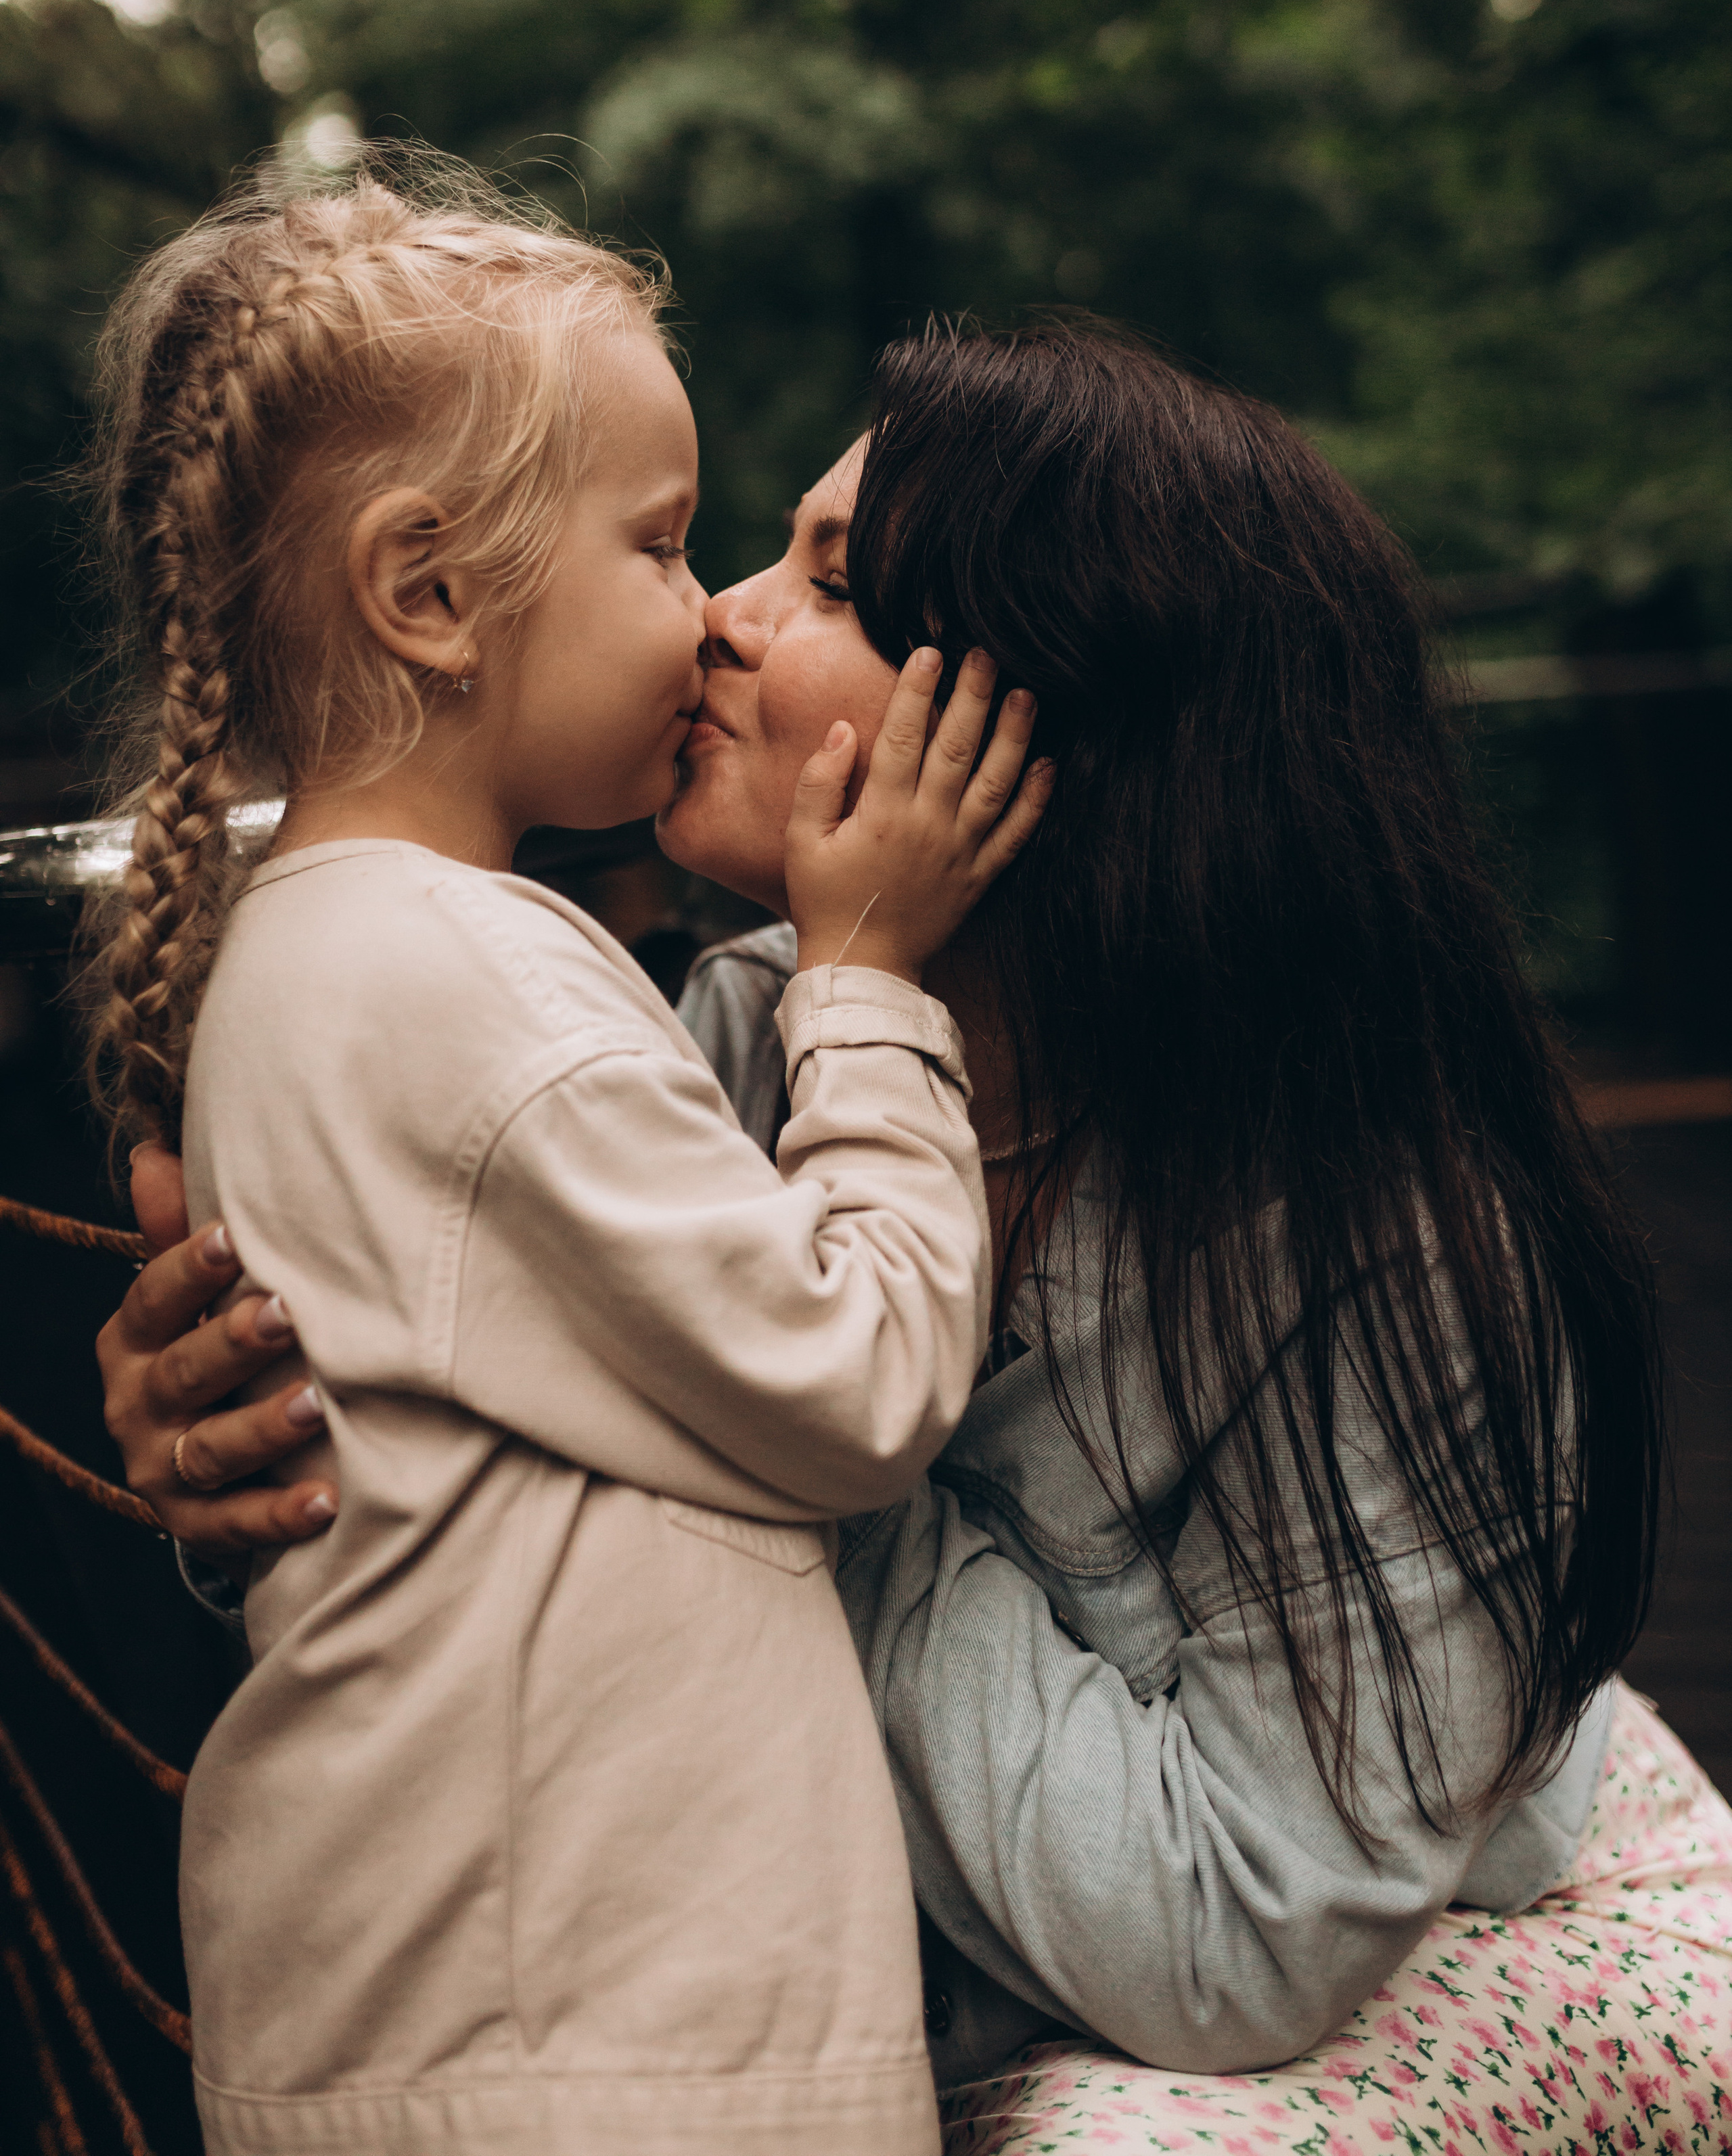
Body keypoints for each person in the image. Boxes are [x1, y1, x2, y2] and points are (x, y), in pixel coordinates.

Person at [104, 322, 1732, 2154]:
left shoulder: (1379, 1247)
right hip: (935, 1980)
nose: (715, 616)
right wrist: (302, 1412)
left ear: (1066, 736)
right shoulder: (719, 1043)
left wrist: (751, 1415)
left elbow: (1238, 1934)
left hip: (1459, 1937)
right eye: (719, 552)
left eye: (828, 586)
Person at [80, 155, 1052, 2156]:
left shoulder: (378, 950)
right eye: (662, 543)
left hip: (525, 2038)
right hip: (587, 2058)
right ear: (428, 594)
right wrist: (868, 982)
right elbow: (858, 1377)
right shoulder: (468, 983)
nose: (707, 617)